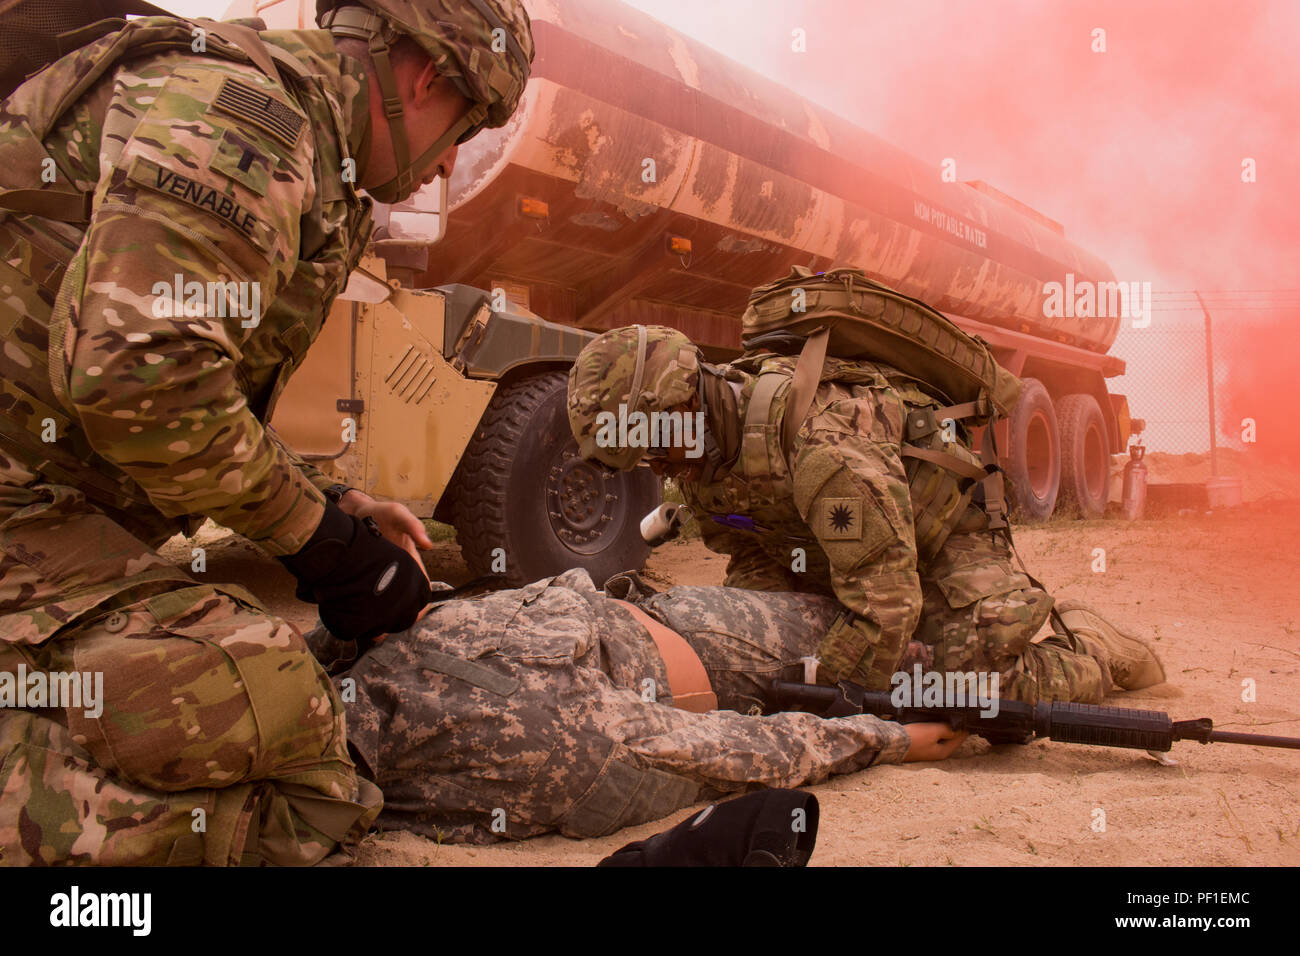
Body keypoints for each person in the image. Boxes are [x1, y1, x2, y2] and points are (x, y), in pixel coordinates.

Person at [0, 0, 533, 866]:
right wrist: (319, 544)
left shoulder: (309, 148)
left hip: (48, 502)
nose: (446, 166)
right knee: (266, 703)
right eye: (463, 131)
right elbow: (140, 379)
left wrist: (337, 504)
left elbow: (198, 395)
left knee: (285, 732)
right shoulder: (244, 119)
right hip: (22, 505)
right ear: (426, 78)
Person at [566, 321, 1165, 705]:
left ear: (685, 404)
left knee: (968, 686)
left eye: (657, 446)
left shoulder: (820, 443)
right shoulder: (708, 455)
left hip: (941, 542)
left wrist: (828, 688)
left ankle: (1093, 648)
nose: (660, 468)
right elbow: (755, 553)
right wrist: (765, 643)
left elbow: (888, 598)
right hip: (850, 558)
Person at [311, 569, 969, 844]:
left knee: (914, 619)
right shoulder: (523, 740)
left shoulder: (339, 655)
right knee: (946, 659)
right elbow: (728, 751)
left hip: (672, 614)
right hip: (728, 661)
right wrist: (890, 741)